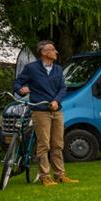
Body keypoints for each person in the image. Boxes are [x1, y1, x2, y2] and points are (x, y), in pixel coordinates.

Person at [13, 40, 78, 186]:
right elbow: (17, 83)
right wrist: (21, 90)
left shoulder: (58, 69)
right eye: (52, 49)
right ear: (44, 53)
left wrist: (56, 101)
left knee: (58, 144)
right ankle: (45, 176)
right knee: (44, 145)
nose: (56, 52)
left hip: (56, 111)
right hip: (40, 111)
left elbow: (63, 88)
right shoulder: (31, 68)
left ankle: (60, 175)